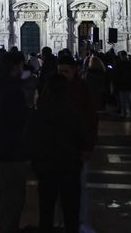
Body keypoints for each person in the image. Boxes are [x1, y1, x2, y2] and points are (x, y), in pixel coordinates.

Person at [27, 73, 93, 233]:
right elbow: (85, 139)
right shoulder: (73, 111)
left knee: (46, 208)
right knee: (71, 209)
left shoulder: (38, 112)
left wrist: (34, 162)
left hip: (45, 167)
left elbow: (30, 138)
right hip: (69, 166)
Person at [0, 50, 29, 233]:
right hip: (12, 150)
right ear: (15, 66)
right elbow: (18, 118)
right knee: (14, 196)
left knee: (4, 195)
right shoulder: (12, 91)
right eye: (21, 65)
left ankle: (5, 227)